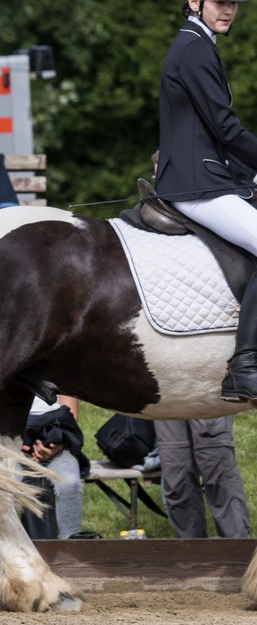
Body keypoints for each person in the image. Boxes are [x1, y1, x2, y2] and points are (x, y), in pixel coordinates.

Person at [157, 0, 257, 400]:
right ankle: (245, 365)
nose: (229, 10)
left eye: (234, 3)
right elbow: (225, 128)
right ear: (194, 1)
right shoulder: (195, 47)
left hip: (206, 175)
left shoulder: (198, 42)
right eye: (220, 2)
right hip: (197, 184)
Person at [156, 418, 251, 538]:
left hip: (204, 402)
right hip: (165, 406)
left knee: (218, 475)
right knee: (178, 481)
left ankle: (237, 551)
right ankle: (193, 552)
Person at [21, 395, 86, 540]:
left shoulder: (59, 374)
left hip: (58, 443)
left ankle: (70, 543)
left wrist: (57, 446)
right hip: (12, 446)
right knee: (4, 485)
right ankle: (2, 545)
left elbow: (71, 417)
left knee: (70, 483)